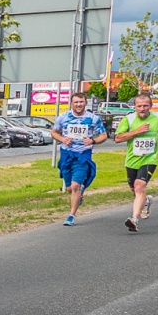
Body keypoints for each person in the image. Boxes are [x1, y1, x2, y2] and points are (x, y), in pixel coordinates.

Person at [113, 93, 158, 232]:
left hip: (150, 159)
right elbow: (118, 138)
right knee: (135, 190)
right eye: (139, 106)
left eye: (145, 106)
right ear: (135, 107)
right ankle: (146, 202)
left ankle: (134, 219)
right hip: (132, 160)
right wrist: (136, 131)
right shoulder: (128, 119)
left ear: (151, 106)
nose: (142, 108)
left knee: (139, 186)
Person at [51, 92, 108, 226]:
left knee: (75, 185)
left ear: (85, 103)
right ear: (71, 103)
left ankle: (71, 216)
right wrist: (63, 139)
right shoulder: (63, 117)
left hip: (83, 155)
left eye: (81, 102)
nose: (78, 104)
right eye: (76, 102)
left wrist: (93, 141)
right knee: (70, 188)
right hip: (67, 154)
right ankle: (79, 193)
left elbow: (103, 135)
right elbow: (54, 133)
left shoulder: (93, 119)